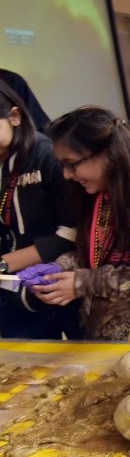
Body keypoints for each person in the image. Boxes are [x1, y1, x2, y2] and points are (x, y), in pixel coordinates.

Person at [24, 107, 130, 340]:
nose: (66, 175)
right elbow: (94, 254)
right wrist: (61, 267)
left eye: (72, 164)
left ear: (109, 153)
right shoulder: (96, 196)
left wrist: (83, 283)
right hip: (108, 341)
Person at [0, 80, 79, 339]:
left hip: (56, 285)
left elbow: (71, 232)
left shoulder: (47, 155)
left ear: (14, 116)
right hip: (12, 293)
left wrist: (3, 264)